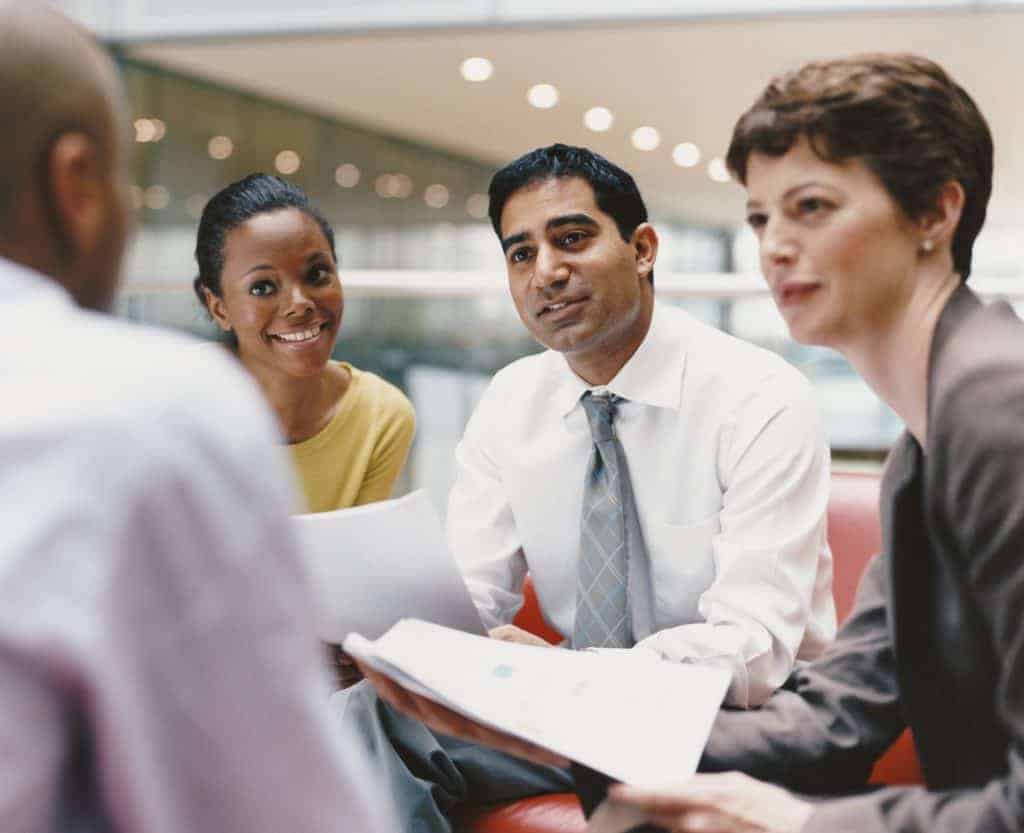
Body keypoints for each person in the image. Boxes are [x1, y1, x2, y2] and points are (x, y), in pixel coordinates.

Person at [370, 54, 1018, 833]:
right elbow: (843, 712)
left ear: (936, 214)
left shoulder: (994, 411)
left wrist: (801, 825)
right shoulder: (932, 431)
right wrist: (554, 716)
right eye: (759, 218)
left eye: (812, 207)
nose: (775, 245)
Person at [341, 143, 836, 832]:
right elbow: (468, 597)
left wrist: (575, 677)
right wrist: (388, 642)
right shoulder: (511, 400)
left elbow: (753, 649)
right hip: (573, 718)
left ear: (642, 248)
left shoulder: (760, 396)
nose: (547, 272)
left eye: (571, 239)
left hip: (736, 724)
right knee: (363, 714)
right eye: (521, 254)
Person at [0, 5, 390, 831]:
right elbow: (283, 810)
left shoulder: (369, 410)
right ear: (75, 185)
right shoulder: (152, 409)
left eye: (317, 272)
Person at [194, 173, 415, 513]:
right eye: (262, 288)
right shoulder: (173, 403)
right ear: (218, 307)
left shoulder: (380, 416)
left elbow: (358, 558)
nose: (299, 303)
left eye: (317, 275)